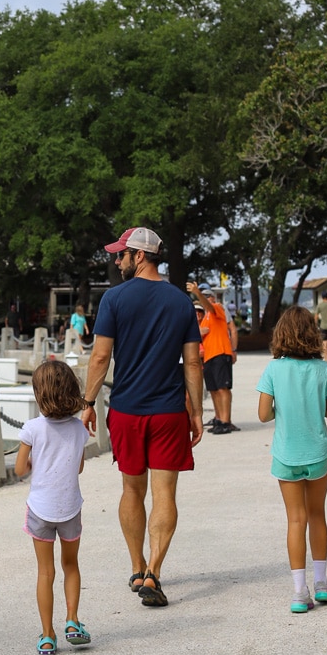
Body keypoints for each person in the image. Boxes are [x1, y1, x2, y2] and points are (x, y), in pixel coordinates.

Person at [81, 227, 203, 608]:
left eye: (121, 255)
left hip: (127, 411)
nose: (116, 262)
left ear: (140, 256)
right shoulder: (180, 301)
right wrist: (196, 411)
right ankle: (153, 570)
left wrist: (88, 402)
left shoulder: (114, 299)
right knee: (165, 493)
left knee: (132, 490)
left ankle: (136, 568)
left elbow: (101, 357)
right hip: (168, 412)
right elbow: (194, 361)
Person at [256, 306, 327, 613]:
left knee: (295, 519)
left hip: (287, 454)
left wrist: (285, 410)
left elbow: (263, 414)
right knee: (317, 515)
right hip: (317, 453)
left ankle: (299, 591)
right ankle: (322, 584)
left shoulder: (274, 369)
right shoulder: (323, 368)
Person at [15, 360, 91, 655]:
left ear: (39, 394)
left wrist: (36, 461)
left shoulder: (32, 429)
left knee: (45, 572)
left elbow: (21, 469)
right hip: (70, 507)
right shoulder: (78, 429)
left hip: (40, 509)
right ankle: (72, 620)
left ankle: (48, 636)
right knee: (70, 565)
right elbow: (79, 468)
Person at [187, 283, 238, 433]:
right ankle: (219, 418)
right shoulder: (205, 319)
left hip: (220, 354)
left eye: (208, 296)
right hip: (209, 357)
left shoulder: (217, 309)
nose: (205, 299)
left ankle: (225, 420)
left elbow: (209, 307)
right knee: (214, 389)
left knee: (223, 388)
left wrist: (197, 293)